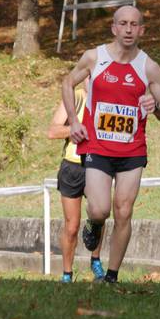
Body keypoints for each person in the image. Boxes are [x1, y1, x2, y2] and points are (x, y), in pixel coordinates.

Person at [61, 5, 160, 284]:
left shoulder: (149, 67)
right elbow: (67, 83)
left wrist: (156, 105)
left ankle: (111, 276)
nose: (128, 29)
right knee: (100, 209)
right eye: (122, 24)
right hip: (97, 147)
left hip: (132, 149)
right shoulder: (94, 57)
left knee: (124, 210)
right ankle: (94, 224)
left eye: (134, 24)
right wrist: (74, 121)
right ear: (113, 28)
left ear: (142, 30)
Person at [47, 87, 106, 283]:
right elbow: (52, 131)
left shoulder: (108, 96)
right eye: (89, 74)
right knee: (71, 226)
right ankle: (67, 274)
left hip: (98, 164)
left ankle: (96, 261)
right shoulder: (75, 97)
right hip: (72, 167)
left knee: (99, 214)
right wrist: (75, 129)